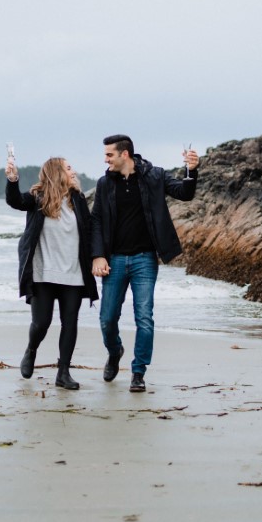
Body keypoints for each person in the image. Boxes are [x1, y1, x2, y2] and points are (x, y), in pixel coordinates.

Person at [91, 134, 199, 392]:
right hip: (114, 260)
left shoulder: (155, 175)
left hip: (145, 260)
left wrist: (191, 171)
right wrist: (98, 255)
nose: (105, 159)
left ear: (124, 154)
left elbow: (184, 193)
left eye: (109, 155)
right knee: (107, 319)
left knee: (145, 319)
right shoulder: (105, 184)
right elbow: (96, 220)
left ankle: (138, 372)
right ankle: (115, 351)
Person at [6, 156, 99, 390]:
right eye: (69, 168)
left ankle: (63, 372)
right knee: (41, 323)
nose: (73, 171)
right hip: (42, 272)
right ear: (57, 172)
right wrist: (12, 179)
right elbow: (15, 201)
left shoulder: (77, 199)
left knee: (70, 323)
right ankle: (31, 350)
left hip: (74, 273)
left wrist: (98, 257)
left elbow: (88, 231)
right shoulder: (37, 198)